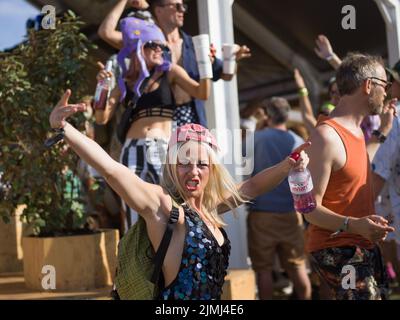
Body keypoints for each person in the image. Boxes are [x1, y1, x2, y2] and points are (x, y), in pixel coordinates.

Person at [48, 88, 310, 299]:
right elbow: (112, 170)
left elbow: (251, 187)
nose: (194, 172)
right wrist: (64, 129)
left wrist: (288, 165)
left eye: (202, 164)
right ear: (172, 166)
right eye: (185, 162)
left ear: (212, 170)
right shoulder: (163, 207)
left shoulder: (208, 207)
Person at [95, 17, 210, 231]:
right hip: (131, 149)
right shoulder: (125, 83)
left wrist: (205, 65)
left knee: (171, 204)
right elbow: (101, 118)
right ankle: (139, 262)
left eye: (162, 45)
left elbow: (202, 92)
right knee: (133, 206)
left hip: (163, 146)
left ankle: (173, 258)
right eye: (153, 45)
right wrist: (102, 86)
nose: (160, 49)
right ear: (137, 48)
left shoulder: (171, 71)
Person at [305, 53, 396, 300]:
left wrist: (383, 132)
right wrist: (355, 224)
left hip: (361, 244)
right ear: (369, 86)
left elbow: (355, 162)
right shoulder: (326, 136)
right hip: (338, 248)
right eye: (384, 85)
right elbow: (309, 209)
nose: (387, 93)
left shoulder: (354, 129)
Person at [98, 0, 251, 128]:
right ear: (159, 10)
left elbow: (225, 74)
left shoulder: (194, 45)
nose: (182, 10)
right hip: (158, 119)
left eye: (183, 6)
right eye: (176, 6)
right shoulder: (147, 45)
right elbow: (106, 33)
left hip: (191, 115)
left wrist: (233, 60)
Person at [247, 97, 311, 300]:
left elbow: (240, 168)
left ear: (267, 115)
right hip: (291, 212)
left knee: (263, 270)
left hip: (261, 214)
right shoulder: (298, 142)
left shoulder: (255, 138)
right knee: (298, 266)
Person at [314, 34, 381, 142]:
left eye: (340, 92)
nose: (335, 96)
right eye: (332, 92)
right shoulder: (333, 123)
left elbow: (355, 76)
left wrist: (331, 57)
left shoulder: (364, 112)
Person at [372, 59, 400, 285]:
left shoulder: (394, 119)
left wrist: (356, 209)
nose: (389, 87)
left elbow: (380, 170)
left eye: (394, 82)